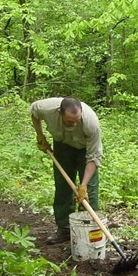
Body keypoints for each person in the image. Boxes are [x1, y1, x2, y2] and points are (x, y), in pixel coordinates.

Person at [30, 96, 103, 244]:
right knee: (63, 187)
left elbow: (93, 158)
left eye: (77, 120)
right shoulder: (46, 108)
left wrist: (83, 185)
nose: (75, 123)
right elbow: (34, 112)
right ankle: (64, 230)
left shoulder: (91, 123)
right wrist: (40, 135)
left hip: (85, 151)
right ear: (60, 113)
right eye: (70, 121)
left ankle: (89, 233)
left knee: (89, 191)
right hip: (62, 146)